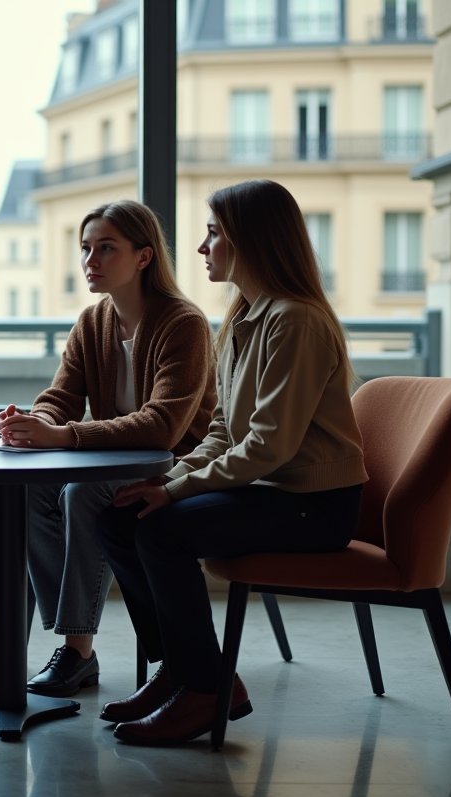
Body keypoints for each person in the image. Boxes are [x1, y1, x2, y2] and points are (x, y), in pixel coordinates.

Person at [96, 179, 368, 746]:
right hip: (270, 491)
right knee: (119, 516)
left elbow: (269, 446)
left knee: (163, 531)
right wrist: (165, 478)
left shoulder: (295, 321)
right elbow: (223, 430)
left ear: (251, 241)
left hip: (311, 506)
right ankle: (181, 667)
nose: (200, 248)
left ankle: (206, 689)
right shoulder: (245, 319)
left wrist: (174, 493)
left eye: (213, 234)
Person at [0, 200, 218, 697]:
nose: (90, 260)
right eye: (85, 248)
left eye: (106, 248)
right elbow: (61, 397)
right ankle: (70, 630)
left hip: (174, 464)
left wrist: (65, 436)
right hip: (108, 459)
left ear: (143, 257)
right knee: (30, 489)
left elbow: (163, 426)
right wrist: (36, 423)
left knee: (81, 494)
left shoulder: (184, 323)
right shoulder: (92, 322)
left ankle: (76, 650)